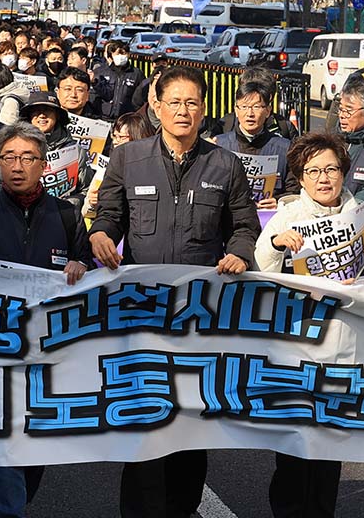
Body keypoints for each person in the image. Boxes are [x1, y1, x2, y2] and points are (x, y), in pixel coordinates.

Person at [90, 66, 261, 518]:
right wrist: (101, 234)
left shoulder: (225, 164)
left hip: (197, 320)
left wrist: (240, 253)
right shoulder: (128, 159)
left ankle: (183, 508)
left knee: (189, 423)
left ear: (204, 111)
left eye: (193, 103)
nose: (184, 111)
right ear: (156, 107)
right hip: (140, 317)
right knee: (145, 421)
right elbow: (108, 215)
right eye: (176, 102)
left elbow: (244, 227)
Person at [0, 122, 91, 518]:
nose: (17, 166)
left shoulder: (67, 214)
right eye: (8, 157)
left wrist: (82, 264)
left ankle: (18, 501)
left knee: (36, 442)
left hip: (47, 348)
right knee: (4, 438)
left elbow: (86, 268)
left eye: (27, 158)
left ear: (44, 165)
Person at [254, 132, 364, 518]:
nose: (323, 178)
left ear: (344, 172)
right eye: (312, 171)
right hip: (297, 344)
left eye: (331, 168)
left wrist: (362, 285)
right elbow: (261, 271)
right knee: (295, 443)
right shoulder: (288, 216)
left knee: (330, 441)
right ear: (300, 178)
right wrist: (278, 245)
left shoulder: (363, 215)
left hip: (345, 344)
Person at [214, 81, 298, 210]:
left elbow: (295, 192)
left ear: (268, 111)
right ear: (236, 110)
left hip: (268, 222)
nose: (250, 114)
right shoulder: (219, 146)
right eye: (244, 107)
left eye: (257, 107)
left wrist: (280, 202)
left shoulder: (285, 149)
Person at [94, 40, 142, 119]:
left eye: (123, 53)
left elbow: (140, 98)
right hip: (103, 117)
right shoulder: (100, 72)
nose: (120, 56)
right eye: (117, 53)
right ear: (111, 55)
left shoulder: (136, 73)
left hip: (125, 118)